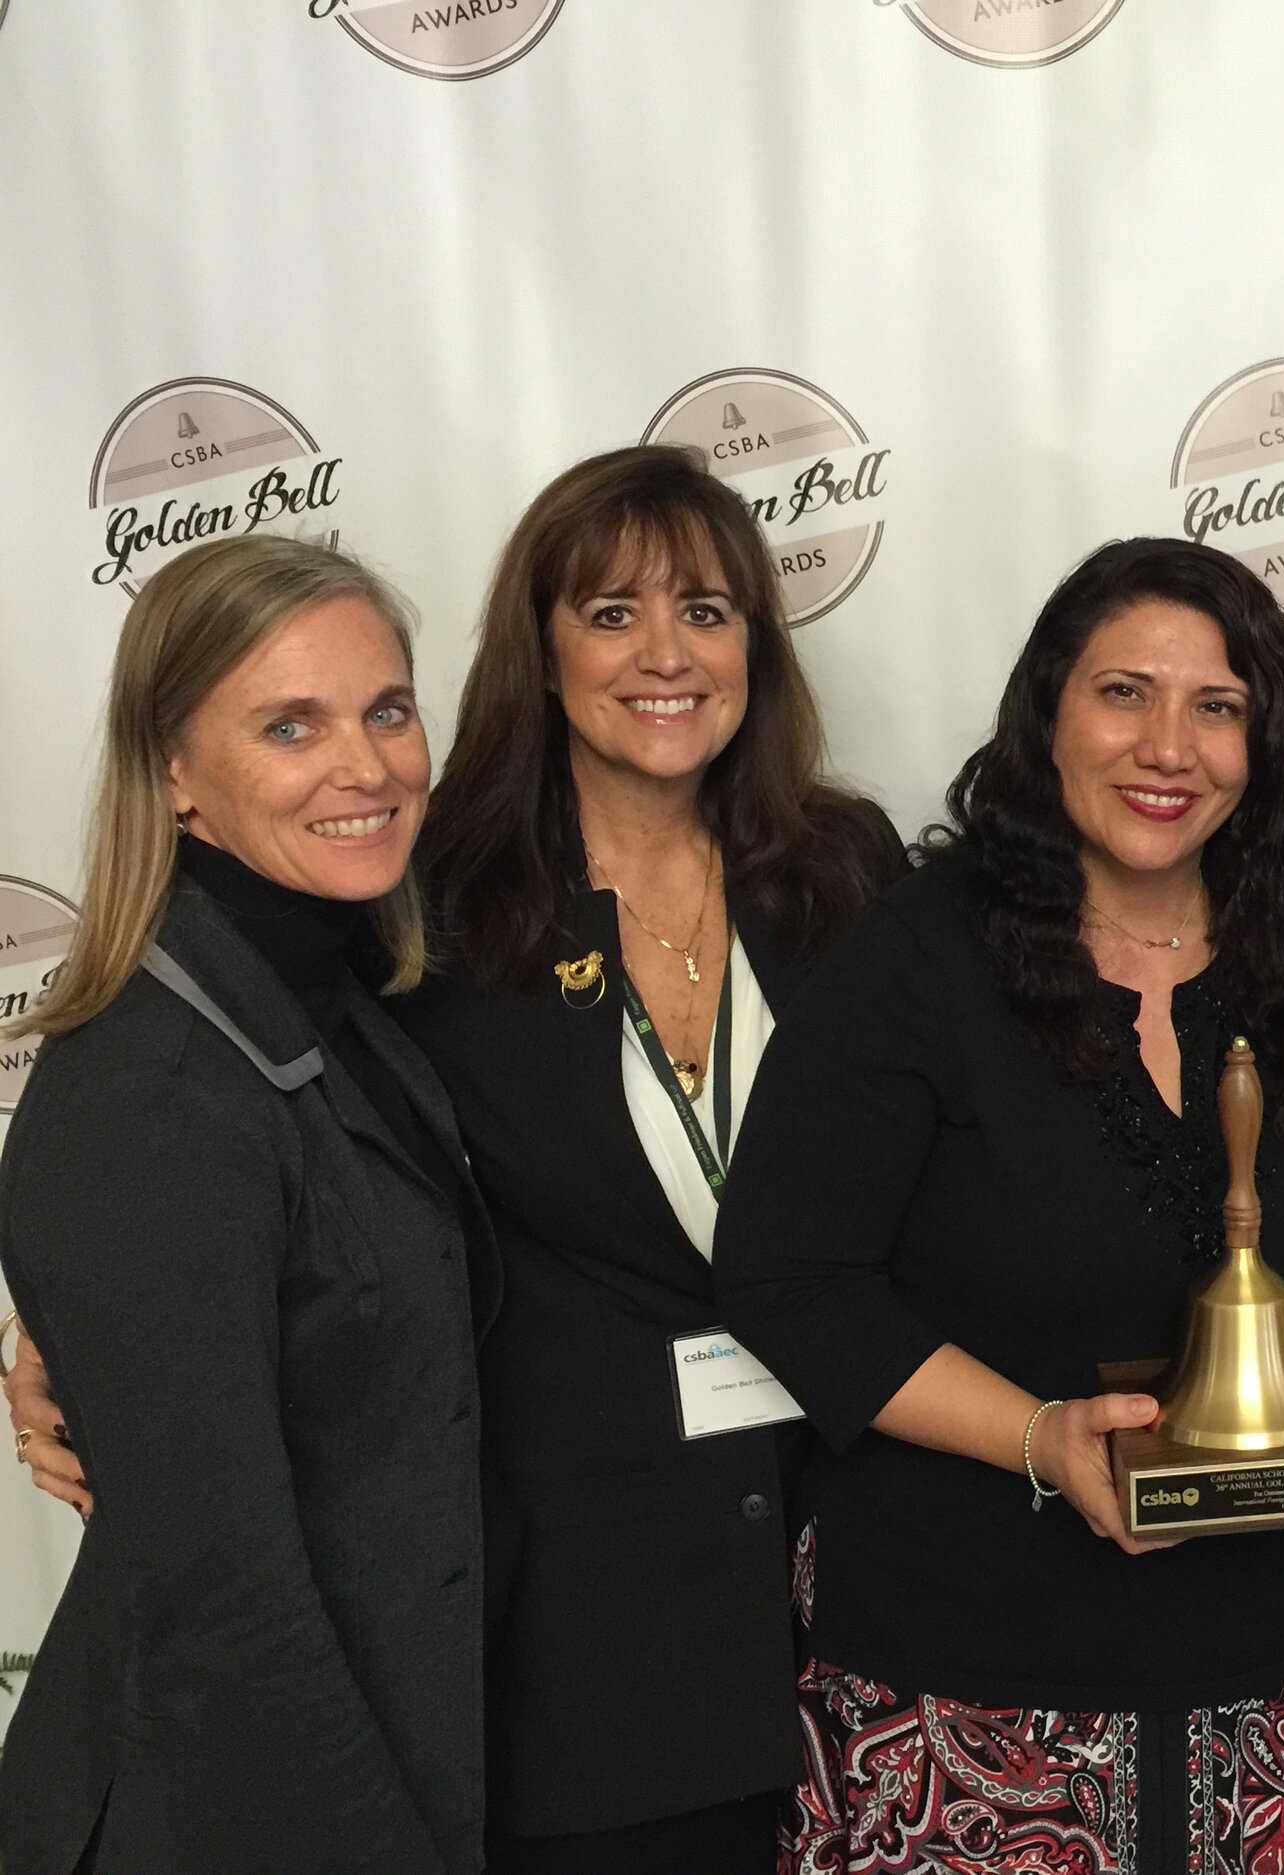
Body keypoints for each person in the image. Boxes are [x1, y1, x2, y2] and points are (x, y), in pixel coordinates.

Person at [712, 536, 1284, 1875]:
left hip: (1277, 1689)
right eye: (1123, 693)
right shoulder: (920, 956)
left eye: (1217, 707)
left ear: (1265, 743)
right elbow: (789, 1279)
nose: (1168, 747)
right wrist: (1040, 1437)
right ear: (1047, 712)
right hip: (967, 1686)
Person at [398, 446, 904, 1872]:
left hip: (864, 1584)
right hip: (593, 1628)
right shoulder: (441, 907)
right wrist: (76, 1324)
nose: (666, 655)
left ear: (756, 645)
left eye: (706, 611)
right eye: (612, 613)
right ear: (541, 649)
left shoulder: (845, 872)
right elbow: (276, 1149)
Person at [0, 536, 495, 1875]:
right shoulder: (148, 1096)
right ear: (173, 773)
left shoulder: (338, 1000)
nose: (367, 766)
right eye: (291, 726)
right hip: (234, 1816)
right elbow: (225, 1602)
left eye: (387, 710)